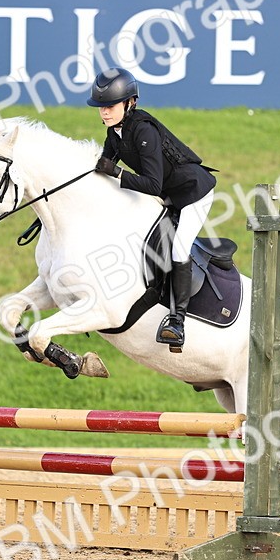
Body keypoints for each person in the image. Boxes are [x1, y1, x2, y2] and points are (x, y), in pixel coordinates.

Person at [87, 68, 216, 350]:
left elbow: (153, 184)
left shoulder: (144, 130)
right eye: (101, 107)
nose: (104, 113)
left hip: (193, 193)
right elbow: (102, 168)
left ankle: (177, 322)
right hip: (169, 194)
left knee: (179, 249)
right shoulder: (115, 133)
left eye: (109, 106)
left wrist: (117, 173)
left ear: (129, 103)